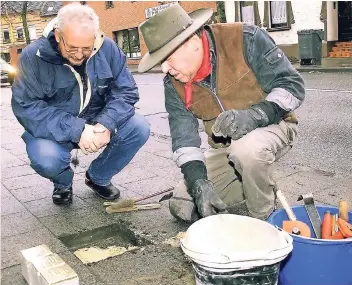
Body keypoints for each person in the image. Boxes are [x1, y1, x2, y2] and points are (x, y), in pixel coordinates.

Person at [138, 4, 305, 222]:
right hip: (225, 148)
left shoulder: (246, 38)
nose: (165, 69)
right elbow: (184, 140)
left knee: (247, 150)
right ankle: (251, 181)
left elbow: (292, 86)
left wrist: (256, 115)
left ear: (192, 42)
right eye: (161, 62)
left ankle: (264, 218)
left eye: (167, 58)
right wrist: (198, 182)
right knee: (182, 205)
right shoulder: (173, 84)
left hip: (274, 125)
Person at [12, 3, 150, 205]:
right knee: (45, 157)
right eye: (72, 48)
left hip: (97, 121)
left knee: (139, 128)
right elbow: (26, 106)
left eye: (86, 48)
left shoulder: (108, 48)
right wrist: (77, 130)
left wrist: (106, 124)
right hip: (56, 128)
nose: (79, 55)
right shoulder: (33, 57)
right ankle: (63, 183)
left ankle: (97, 177)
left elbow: (126, 91)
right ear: (59, 36)